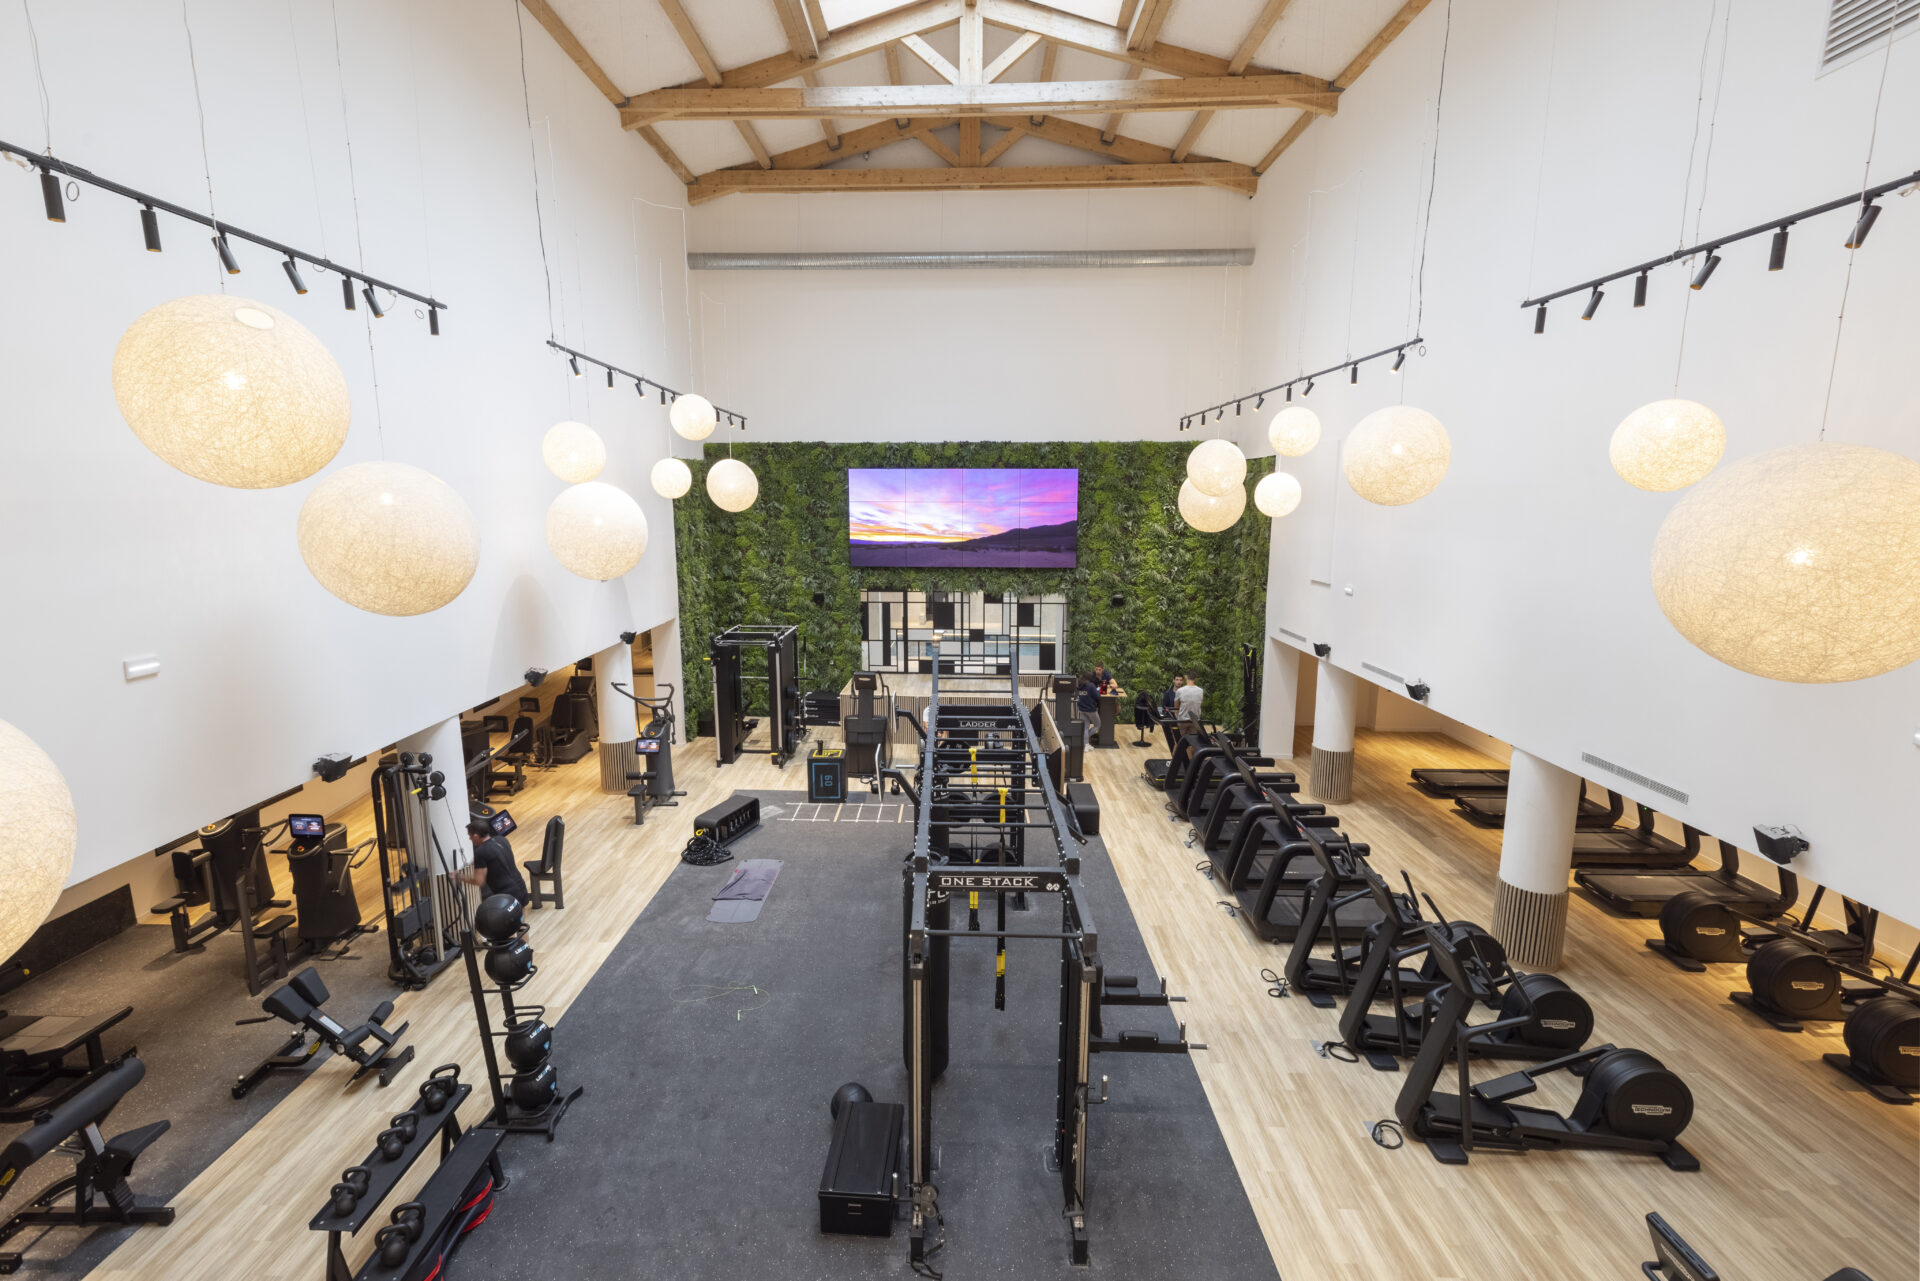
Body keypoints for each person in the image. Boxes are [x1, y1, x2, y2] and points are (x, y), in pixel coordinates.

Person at [462, 817, 531, 908]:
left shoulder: (480, 852)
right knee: (520, 913)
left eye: (470, 836)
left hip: (506, 894)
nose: (470, 839)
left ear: (475, 836)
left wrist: (459, 877)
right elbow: (495, 854)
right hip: (520, 886)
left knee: (509, 917)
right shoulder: (502, 840)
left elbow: (479, 881)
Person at [1173, 671, 1204, 735]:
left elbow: (1176, 707)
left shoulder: (1180, 691)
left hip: (1182, 721)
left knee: (1181, 739)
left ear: (1186, 677)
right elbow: (1200, 704)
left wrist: (1178, 717)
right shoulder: (1201, 691)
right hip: (1195, 721)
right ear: (1195, 679)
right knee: (1194, 739)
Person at [1077, 672, 1102, 744]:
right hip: (1090, 709)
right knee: (1097, 725)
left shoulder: (1079, 685)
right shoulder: (1091, 685)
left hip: (1082, 709)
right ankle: (1085, 738)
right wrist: (1098, 691)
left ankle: (1086, 744)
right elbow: (1097, 696)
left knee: (1085, 728)